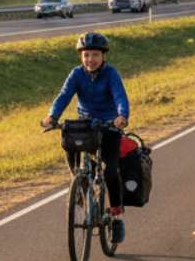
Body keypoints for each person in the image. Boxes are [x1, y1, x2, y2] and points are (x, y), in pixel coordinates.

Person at [41, 32, 130, 243]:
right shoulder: (76, 74)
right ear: (81, 56)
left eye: (95, 55)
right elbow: (64, 95)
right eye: (86, 55)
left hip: (109, 126)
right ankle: (79, 185)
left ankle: (116, 217)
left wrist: (121, 116)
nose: (90, 59)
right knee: (69, 144)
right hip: (86, 125)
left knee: (109, 172)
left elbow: (120, 96)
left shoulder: (111, 73)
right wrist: (52, 116)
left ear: (103, 56)